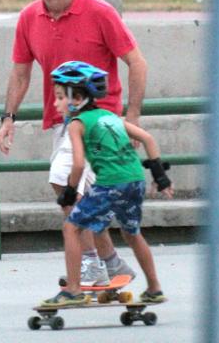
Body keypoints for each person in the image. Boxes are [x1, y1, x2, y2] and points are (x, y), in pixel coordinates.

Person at [0, 0, 148, 286]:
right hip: (62, 121)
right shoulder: (28, 18)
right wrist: (8, 118)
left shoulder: (100, 13)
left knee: (63, 181)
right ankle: (111, 263)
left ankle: (94, 264)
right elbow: (21, 74)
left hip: (100, 119)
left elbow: (137, 62)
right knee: (78, 197)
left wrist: (133, 117)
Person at [41, 61, 173, 307]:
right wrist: (159, 175)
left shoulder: (77, 124)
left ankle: (72, 290)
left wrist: (69, 193)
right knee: (131, 233)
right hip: (135, 181)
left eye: (59, 97)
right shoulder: (110, 117)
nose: (55, 103)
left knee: (71, 227)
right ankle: (154, 288)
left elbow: (78, 165)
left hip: (110, 184)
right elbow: (147, 138)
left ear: (77, 98)